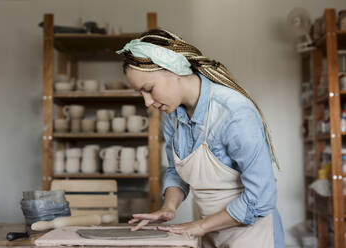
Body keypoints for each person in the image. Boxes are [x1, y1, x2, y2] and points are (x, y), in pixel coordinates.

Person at [116, 29, 285, 248]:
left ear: (173, 70)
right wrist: (169, 208)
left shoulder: (234, 113)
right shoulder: (172, 114)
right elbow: (176, 172)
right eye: (141, 94)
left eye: (149, 89)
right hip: (209, 231)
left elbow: (261, 198)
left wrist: (200, 226)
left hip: (252, 236)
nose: (147, 102)